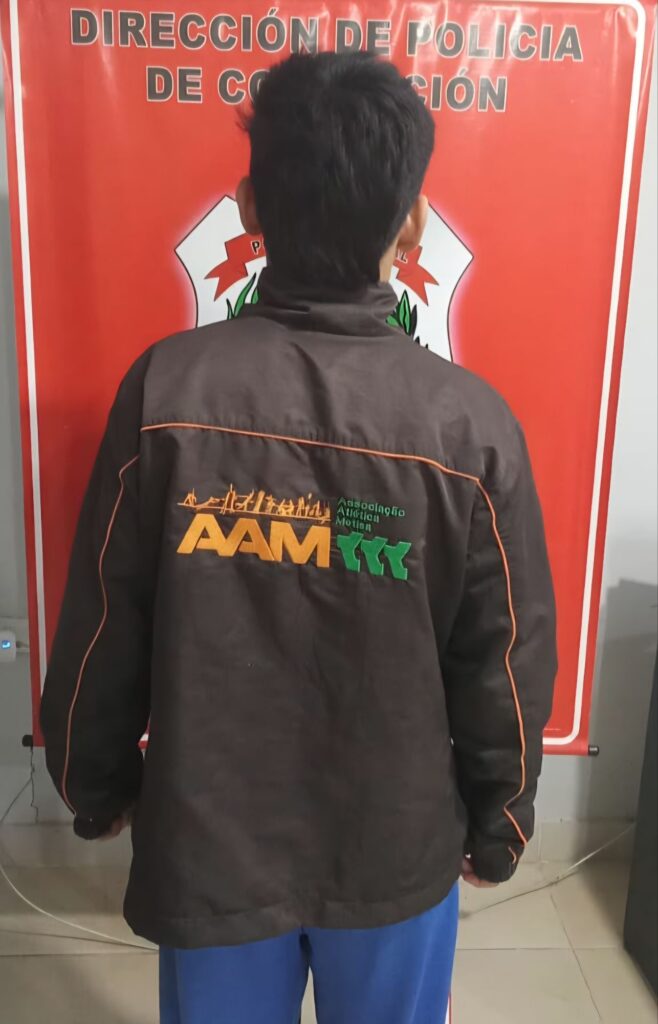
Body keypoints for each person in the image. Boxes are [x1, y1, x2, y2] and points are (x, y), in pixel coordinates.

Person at [41, 51, 557, 1024]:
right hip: (394, 849)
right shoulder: (469, 425)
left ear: (248, 206)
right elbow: (505, 658)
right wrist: (501, 823)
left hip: (213, 843)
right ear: (411, 223)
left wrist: (93, 780)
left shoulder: (167, 391)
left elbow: (106, 619)